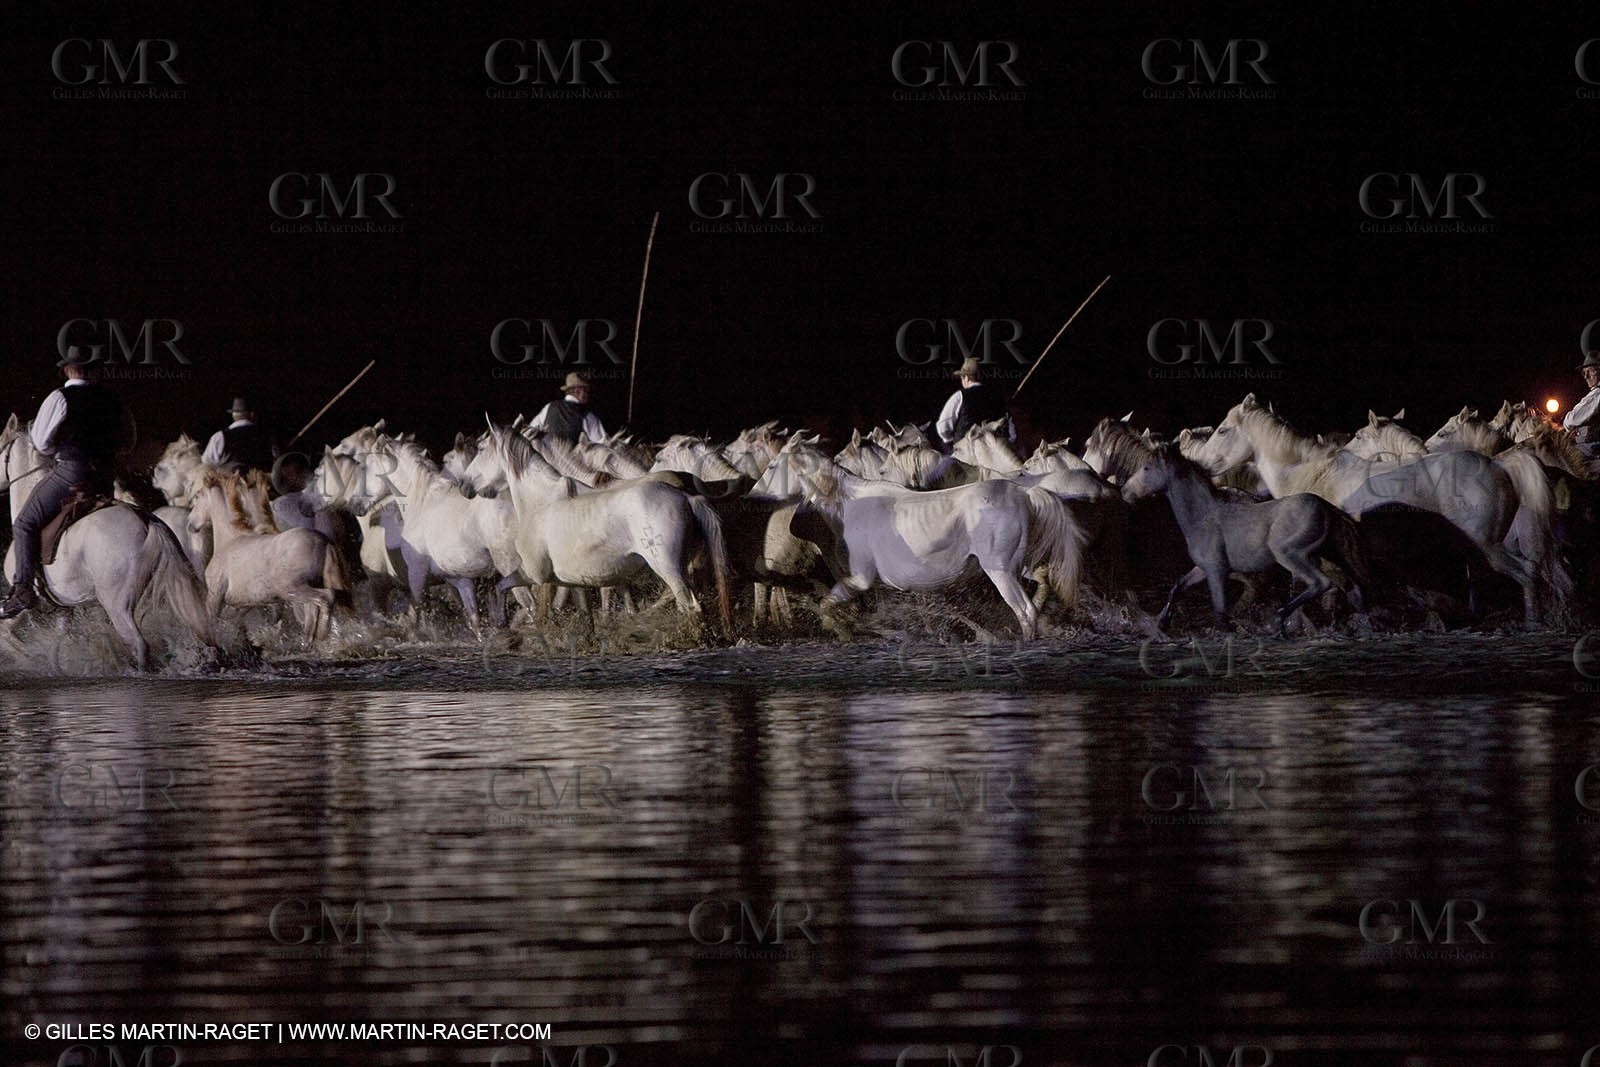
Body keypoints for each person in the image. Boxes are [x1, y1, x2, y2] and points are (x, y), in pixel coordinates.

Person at [0, 347, 137, 618]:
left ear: (66, 369)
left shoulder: (59, 397)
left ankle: (23, 589)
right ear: (93, 369)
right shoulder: (112, 399)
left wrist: (64, 450)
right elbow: (129, 441)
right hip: (104, 479)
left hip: (72, 473)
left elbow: (40, 443)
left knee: (25, 522)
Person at [935, 357, 1014, 449]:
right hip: (995, 450)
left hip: (966, 452)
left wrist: (953, 441)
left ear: (966, 378)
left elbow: (943, 428)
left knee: (942, 463)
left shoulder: (960, 396)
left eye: (961, 378)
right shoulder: (997, 397)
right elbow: (1010, 430)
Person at [203, 397, 278, 473]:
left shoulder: (220, 436)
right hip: (263, 483)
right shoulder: (268, 437)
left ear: (233, 415)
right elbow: (277, 461)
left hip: (232, 483)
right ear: (252, 414)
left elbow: (206, 465)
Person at [529, 372, 606, 445]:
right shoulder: (587, 416)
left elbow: (530, 430)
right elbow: (602, 445)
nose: (588, 394)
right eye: (585, 390)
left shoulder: (549, 407)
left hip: (544, 457)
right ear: (577, 391)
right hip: (572, 458)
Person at [1566, 351, 1600, 460]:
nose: (1586, 376)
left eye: (1589, 371)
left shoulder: (1597, 394)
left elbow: (1571, 419)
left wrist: (1567, 427)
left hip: (1593, 447)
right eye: (1584, 372)